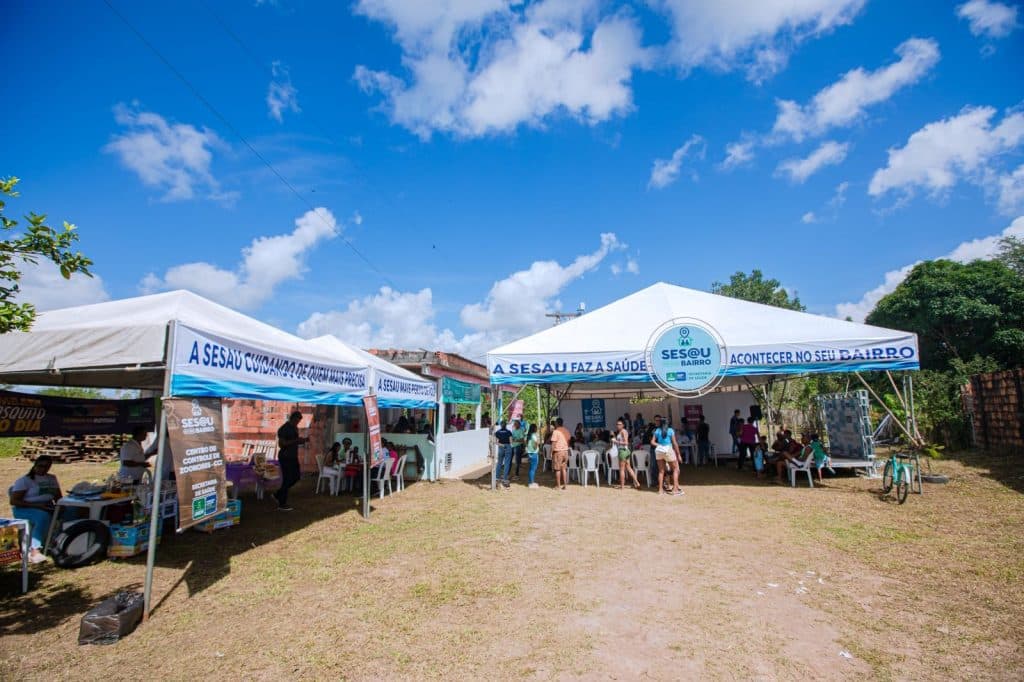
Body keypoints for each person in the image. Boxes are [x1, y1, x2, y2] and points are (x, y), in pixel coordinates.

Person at [8, 455, 62, 563]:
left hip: (47, 505)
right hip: (25, 508)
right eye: (41, 466)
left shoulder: (52, 478)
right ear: (35, 465)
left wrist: (60, 506)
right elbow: (14, 501)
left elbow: (58, 496)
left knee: (69, 512)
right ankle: (34, 550)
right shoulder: (25, 480)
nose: (43, 469)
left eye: (47, 466)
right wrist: (37, 506)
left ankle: (59, 542)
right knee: (42, 516)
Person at [274, 411, 308, 511]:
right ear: (292, 418)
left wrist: (302, 440)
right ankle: (282, 504)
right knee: (287, 479)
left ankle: (278, 494)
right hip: (285, 457)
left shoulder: (294, 428)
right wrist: (296, 441)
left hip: (293, 456)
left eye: (299, 421)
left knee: (296, 477)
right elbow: (282, 444)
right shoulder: (284, 429)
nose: (297, 423)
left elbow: (294, 442)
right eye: (297, 420)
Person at [650, 415, 683, 496]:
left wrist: (659, 445)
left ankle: (660, 490)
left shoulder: (657, 430)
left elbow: (652, 442)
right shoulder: (670, 430)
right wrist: (678, 454)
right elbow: (675, 443)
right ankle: (675, 489)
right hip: (668, 450)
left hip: (659, 451)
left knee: (661, 471)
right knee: (675, 469)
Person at [613, 418, 640, 490]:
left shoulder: (623, 431)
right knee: (629, 468)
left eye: (619, 424)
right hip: (626, 451)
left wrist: (616, 441)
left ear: (623, 425)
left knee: (622, 469)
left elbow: (626, 442)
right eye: (617, 424)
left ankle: (622, 486)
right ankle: (637, 482)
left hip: (623, 451)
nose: (618, 426)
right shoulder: (621, 431)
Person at [550, 417, 571, 490]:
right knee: (564, 469)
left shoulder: (556, 431)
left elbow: (553, 443)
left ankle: (558, 486)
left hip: (558, 452)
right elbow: (569, 441)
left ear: (556, 423)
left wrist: (551, 452)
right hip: (565, 451)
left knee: (557, 469)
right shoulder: (566, 431)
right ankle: (565, 485)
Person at [494, 421, 513, 489]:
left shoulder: (498, 432)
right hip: (508, 447)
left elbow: (496, 442)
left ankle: (497, 477)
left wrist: (502, 445)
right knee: (507, 463)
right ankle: (505, 479)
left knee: (499, 462)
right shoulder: (509, 432)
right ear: (506, 425)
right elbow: (511, 442)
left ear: (500, 425)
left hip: (501, 447)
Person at [525, 423, 541, 488]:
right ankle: (531, 483)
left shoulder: (528, 435)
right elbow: (536, 444)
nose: (537, 429)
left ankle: (530, 482)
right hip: (534, 453)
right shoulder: (533, 435)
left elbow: (526, 444)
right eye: (536, 427)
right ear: (534, 428)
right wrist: (537, 445)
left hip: (529, 453)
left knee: (531, 468)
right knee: (533, 469)